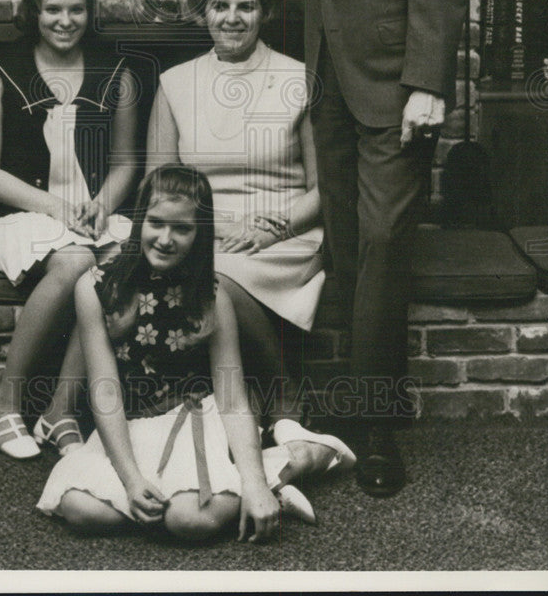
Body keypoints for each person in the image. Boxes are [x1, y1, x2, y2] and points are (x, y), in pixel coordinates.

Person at [164, 0, 470, 497]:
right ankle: (318, 403)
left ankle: (375, 424)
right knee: (343, 241)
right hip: (328, 82)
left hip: (400, 88)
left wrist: (429, 84)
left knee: (381, 244)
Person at [38, 165, 345, 540]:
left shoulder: (211, 294)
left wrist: (254, 484)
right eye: (156, 223)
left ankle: (286, 465)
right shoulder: (96, 288)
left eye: (182, 229)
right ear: (139, 221)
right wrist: (131, 479)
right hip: (129, 425)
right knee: (82, 510)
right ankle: (241, 481)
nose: (166, 238)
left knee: (189, 521)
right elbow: (105, 392)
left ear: (199, 233)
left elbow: (231, 396)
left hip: (198, 415)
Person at [146, 0, 354, 467]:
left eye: (246, 6)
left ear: (265, 11)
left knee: (216, 277)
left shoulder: (298, 78)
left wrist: (274, 227)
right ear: (203, 12)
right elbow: (161, 187)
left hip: (285, 235)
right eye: (220, 6)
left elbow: (326, 187)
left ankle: (270, 404)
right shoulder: (174, 84)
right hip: (206, 233)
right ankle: (276, 403)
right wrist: (205, 230)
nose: (232, 18)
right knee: (210, 271)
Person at [0, 0, 138, 459]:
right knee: (75, 260)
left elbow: (127, 161)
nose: (65, 21)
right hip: (22, 213)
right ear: (33, 12)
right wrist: (58, 208)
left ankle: (60, 409)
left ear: (90, 13)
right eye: (53, 10)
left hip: (92, 215)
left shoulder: (116, 73)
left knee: (120, 261)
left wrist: (100, 206)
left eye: (77, 10)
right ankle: (4, 403)